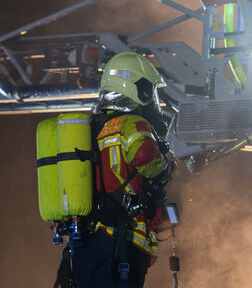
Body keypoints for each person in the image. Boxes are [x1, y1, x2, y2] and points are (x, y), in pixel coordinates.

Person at [66, 51, 174, 288]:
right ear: (140, 88)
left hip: (86, 241)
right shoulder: (132, 124)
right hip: (120, 242)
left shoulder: (92, 127)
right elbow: (148, 160)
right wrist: (168, 165)